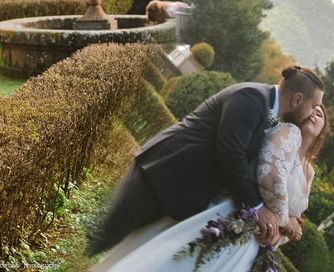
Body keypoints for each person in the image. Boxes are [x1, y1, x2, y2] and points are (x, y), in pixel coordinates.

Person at [87, 66, 325, 256]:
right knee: (102, 237)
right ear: (297, 99)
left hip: (181, 188)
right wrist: (257, 208)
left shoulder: (269, 113)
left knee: (128, 247)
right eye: (314, 106)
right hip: (162, 173)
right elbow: (231, 152)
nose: (313, 113)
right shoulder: (252, 97)